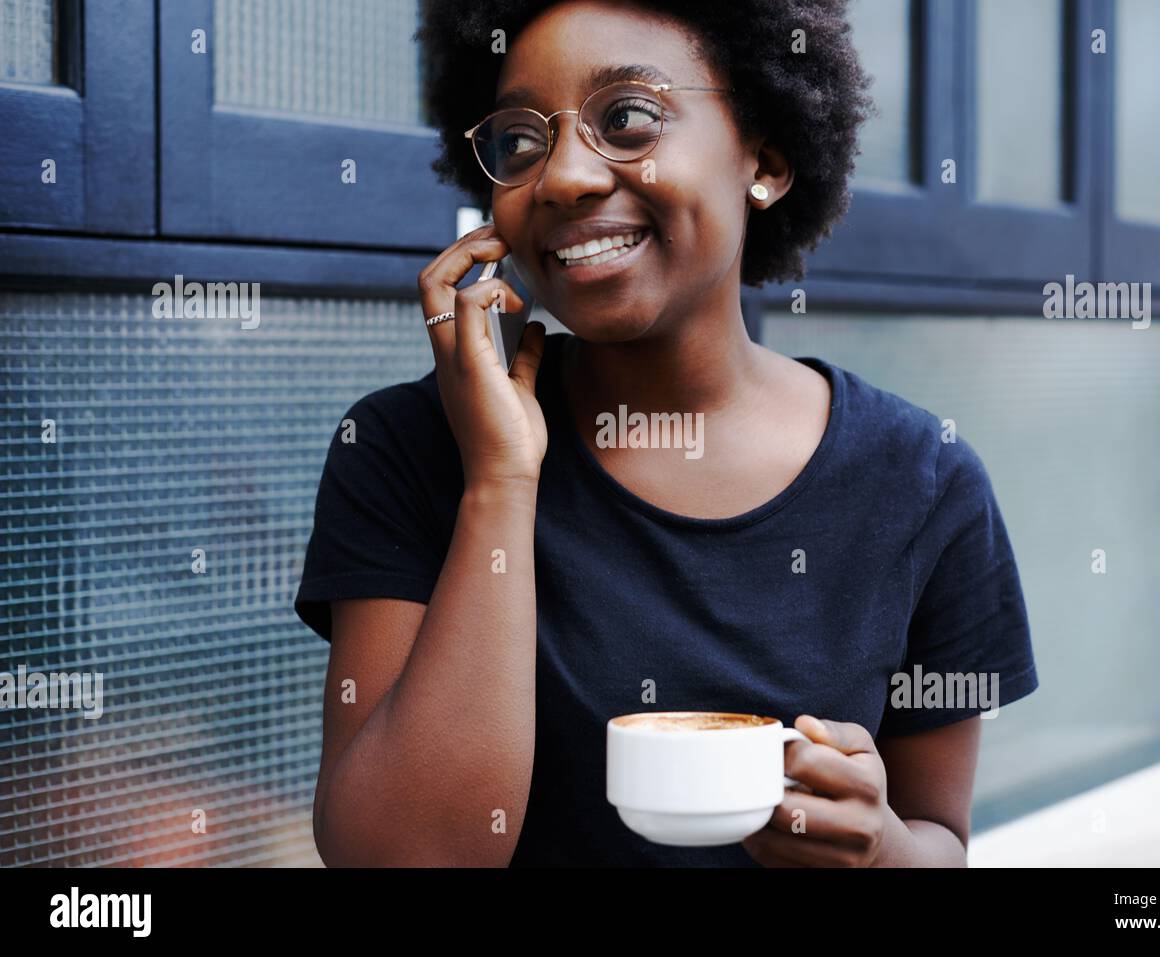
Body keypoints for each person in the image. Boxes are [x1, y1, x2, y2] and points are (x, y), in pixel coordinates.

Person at [294, 0, 1039, 867]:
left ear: (764, 159)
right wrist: (499, 484)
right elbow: (401, 860)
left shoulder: (922, 480)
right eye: (520, 142)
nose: (564, 176)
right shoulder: (408, 448)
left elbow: (940, 837)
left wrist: (882, 851)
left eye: (630, 118)